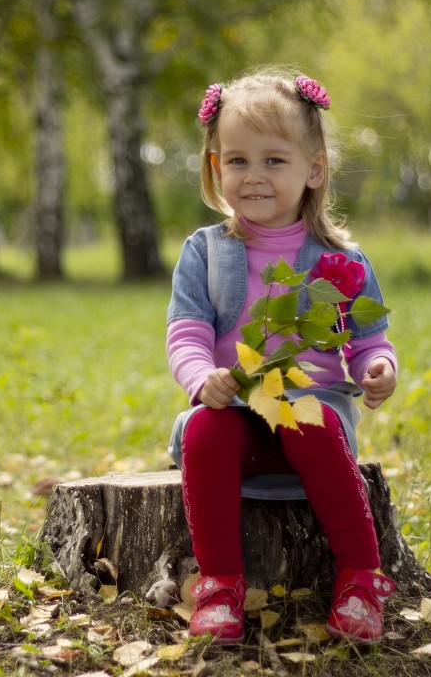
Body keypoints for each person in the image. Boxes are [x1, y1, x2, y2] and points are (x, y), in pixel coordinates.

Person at [166, 67, 398, 645]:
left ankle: (361, 578)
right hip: (240, 419)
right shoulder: (206, 252)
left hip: (312, 428)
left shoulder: (339, 259)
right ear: (216, 167)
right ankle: (219, 585)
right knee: (203, 431)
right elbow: (186, 333)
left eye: (274, 160)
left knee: (309, 420)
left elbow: (368, 337)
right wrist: (203, 379)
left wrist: (378, 368)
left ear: (312, 168)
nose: (254, 176)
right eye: (238, 160)